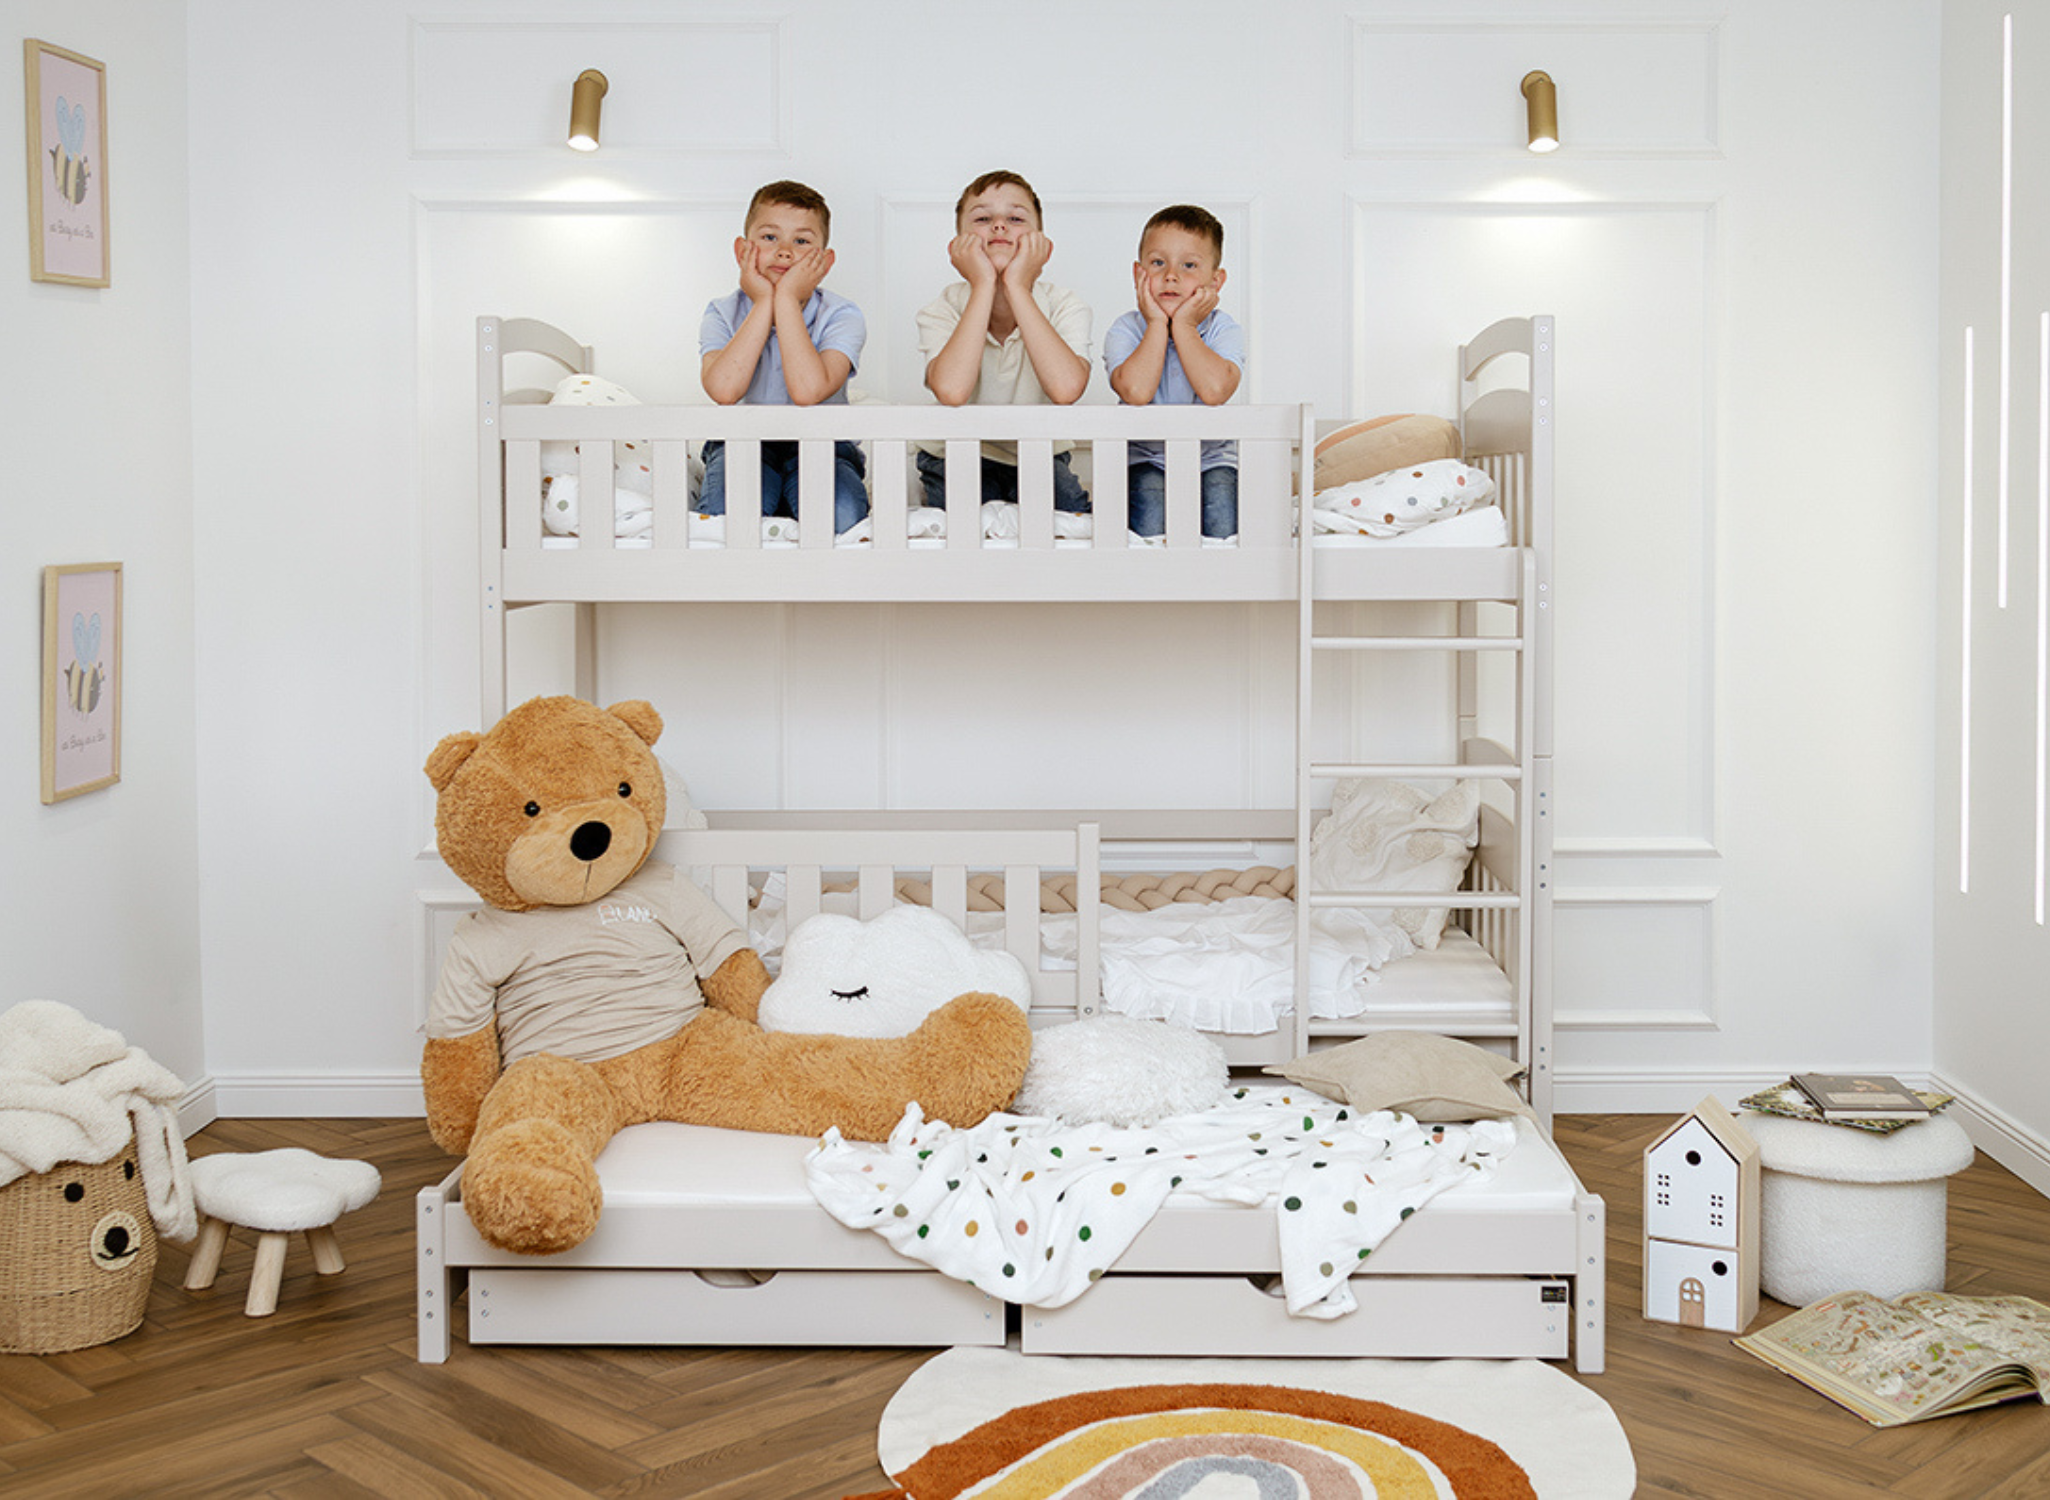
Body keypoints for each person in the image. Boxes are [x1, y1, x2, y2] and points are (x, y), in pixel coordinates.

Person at [915, 170, 1092, 513]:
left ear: (1042, 245)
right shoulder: (941, 309)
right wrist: (983, 284)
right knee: (964, 520)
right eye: (983, 219)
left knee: (1070, 518)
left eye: (1015, 219)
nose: (999, 226)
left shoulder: (1065, 305)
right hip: (956, 450)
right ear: (957, 246)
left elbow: (1066, 389)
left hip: (1040, 451)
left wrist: (1017, 286)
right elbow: (952, 391)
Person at [699, 180, 869, 534]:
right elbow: (724, 390)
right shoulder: (721, 312)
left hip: (824, 442)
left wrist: (787, 299)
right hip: (742, 440)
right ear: (742, 251)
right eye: (769, 237)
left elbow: (808, 391)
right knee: (725, 516)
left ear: (825, 262)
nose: (785, 252)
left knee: (842, 517)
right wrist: (764, 302)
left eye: (802, 241)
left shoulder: (842, 315)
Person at [1103, 204, 1245, 539]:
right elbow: (1136, 392)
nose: (1171, 275)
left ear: (1216, 281)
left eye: (1189, 265)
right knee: (1150, 509)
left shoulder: (1223, 329)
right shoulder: (1126, 329)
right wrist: (1156, 323)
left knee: (1222, 513)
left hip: (1211, 460)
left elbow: (1215, 390)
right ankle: (1153, 573)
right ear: (1138, 274)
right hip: (1144, 459)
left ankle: (1217, 573)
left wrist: (1184, 325)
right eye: (1158, 263)